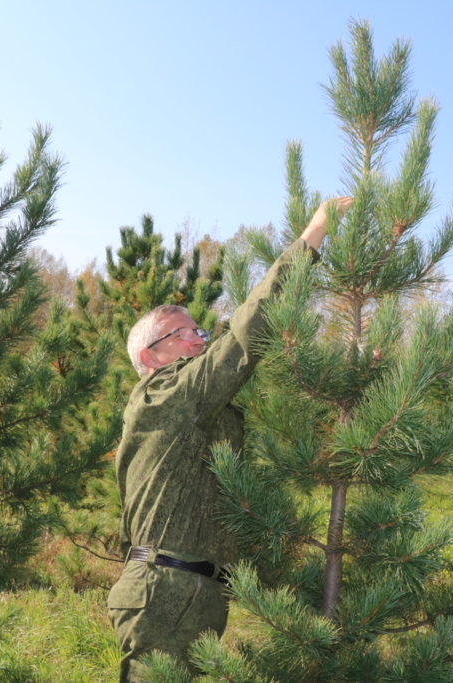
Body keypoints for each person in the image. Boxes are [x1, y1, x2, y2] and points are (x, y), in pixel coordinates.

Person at [107, 196, 352, 682]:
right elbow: (243, 338)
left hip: (194, 592)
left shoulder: (191, 407)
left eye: (199, 330)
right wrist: (312, 238)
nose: (200, 339)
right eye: (185, 334)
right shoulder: (164, 393)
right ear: (151, 356)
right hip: (164, 590)